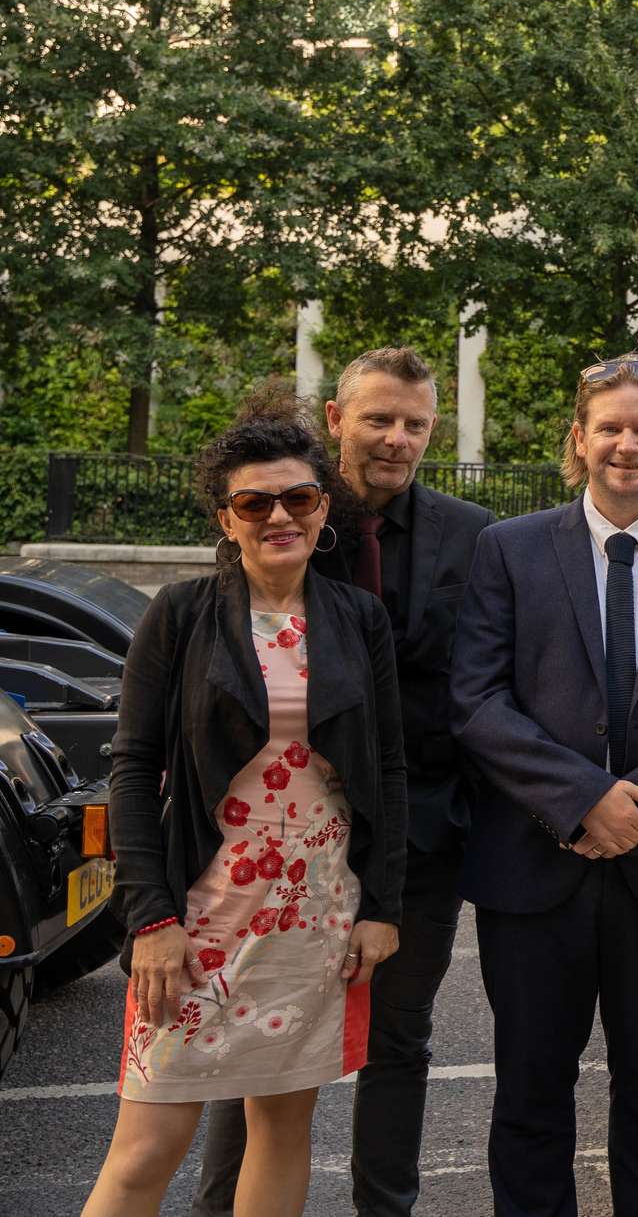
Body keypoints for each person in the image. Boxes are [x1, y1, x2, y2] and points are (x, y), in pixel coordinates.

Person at [86, 389, 405, 1217]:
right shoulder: (181, 614)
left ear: (322, 506)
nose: (279, 516)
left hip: (317, 915)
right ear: (226, 519)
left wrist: (382, 903)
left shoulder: (359, 617)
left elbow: (388, 770)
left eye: (298, 497)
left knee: (282, 1127)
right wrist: (150, 918)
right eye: (253, 502)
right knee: (145, 1148)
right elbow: (131, 769)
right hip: (202, 914)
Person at [192, 347, 494, 1217]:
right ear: (336, 419)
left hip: (420, 839)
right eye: (378, 418)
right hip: (277, 845)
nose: (396, 438)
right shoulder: (276, 515)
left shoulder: (472, 536)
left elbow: (474, 687)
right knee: (253, 1049)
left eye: (415, 423)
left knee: (398, 1042)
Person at [450, 356, 638, 1217]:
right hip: (534, 872)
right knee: (531, 1094)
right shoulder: (507, 547)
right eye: (609, 427)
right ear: (579, 439)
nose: (627, 444)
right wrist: (582, 799)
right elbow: (475, 698)